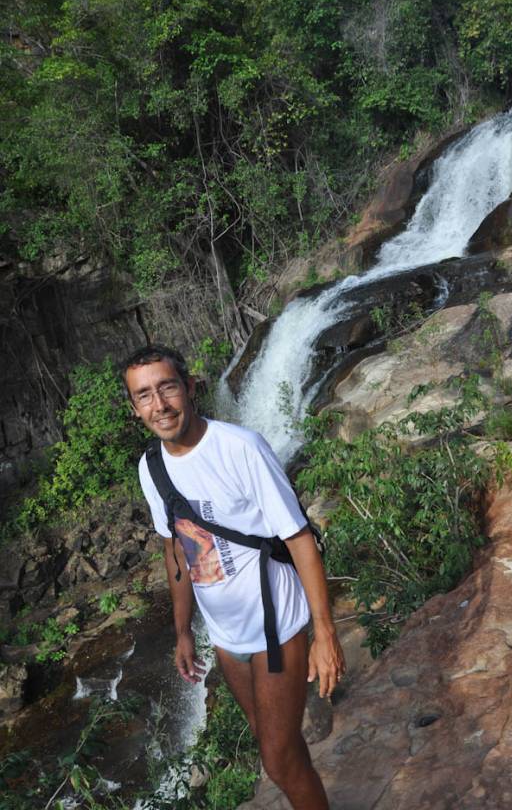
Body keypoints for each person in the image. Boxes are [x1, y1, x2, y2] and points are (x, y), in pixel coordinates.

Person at [122, 344, 345, 810]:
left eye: (167, 388)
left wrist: (324, 634)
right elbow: (176, 547)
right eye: (144, 395)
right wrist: (183, 631)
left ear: (189, 388)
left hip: (275, 626)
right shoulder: (151, 467)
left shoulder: (240, 447)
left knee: (277, 761)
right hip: (225, 636)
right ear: (135, 407)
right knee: (275, 743)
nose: (159, 405)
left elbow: (299, 538)